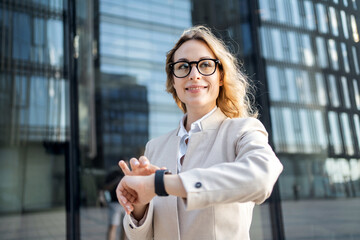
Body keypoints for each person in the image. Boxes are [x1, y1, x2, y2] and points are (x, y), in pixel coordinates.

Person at [116, 25, 283, 240]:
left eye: (205, 65)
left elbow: (262, 176)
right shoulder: (154, 147)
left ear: (221, 76)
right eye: (183, 66)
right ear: (173, 80)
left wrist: (161, 184)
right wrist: (139, 206)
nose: (194, 75)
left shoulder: (243, 130)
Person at [103, 167, 125, 240]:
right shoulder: (113, 175)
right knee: (113, 225)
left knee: (125, 227)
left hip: (125, 204)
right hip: (115, 204)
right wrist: (117, 181)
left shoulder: (127, 174)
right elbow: (106, 188)